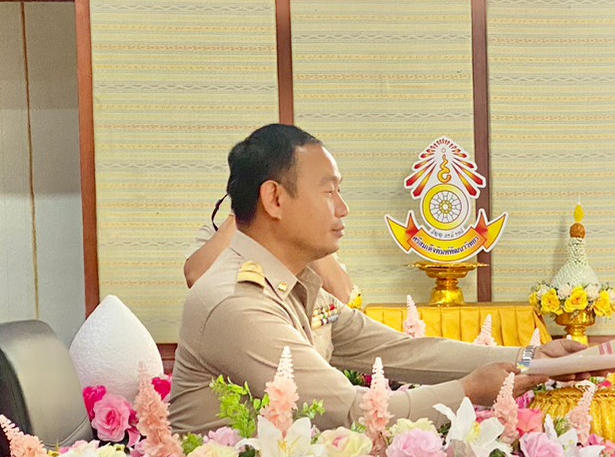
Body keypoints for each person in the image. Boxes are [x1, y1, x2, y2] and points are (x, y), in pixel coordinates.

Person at [170, 124, 582, 435]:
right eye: (329, 192)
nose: (343, 208)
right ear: (275, 199)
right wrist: (470, 391)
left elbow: (402, 352)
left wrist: (530, 359)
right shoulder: (236, 301)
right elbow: (348, 411)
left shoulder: (296, 285)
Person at [185, 198, 359, 305]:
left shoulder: (306, 239)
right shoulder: (220, 234)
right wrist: (240, 212)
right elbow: (195, 277)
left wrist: (303, 230)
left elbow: (344, 296)